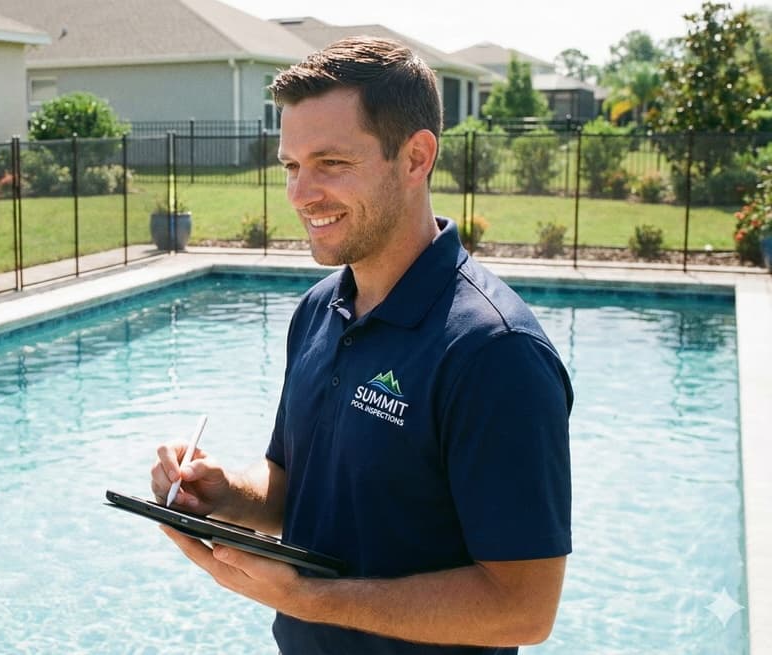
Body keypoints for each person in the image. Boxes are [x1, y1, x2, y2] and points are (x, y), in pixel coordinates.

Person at [149, 37, 573, 654]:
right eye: (291, 165)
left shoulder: (494, 353)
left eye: (331, 163)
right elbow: (296, 482)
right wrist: (223, 492)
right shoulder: (319, 309)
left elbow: (522, 609)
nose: (300, 194)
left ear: (415, 157)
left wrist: (307, 599)